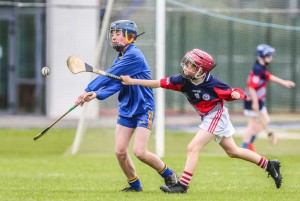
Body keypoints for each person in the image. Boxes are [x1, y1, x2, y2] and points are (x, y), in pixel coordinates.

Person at [120, 48, 282, 193]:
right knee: (233, 151)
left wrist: (237, 94)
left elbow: (236, 91)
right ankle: (269, 165)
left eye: (191, 65)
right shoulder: (182, 81)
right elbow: (157, 83)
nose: (186, 67)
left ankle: (182, 186)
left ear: (201, 70)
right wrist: (132, 81)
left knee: (192, 147)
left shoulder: (212, 83)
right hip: (209, 117)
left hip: (216, 115)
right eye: (186, 63)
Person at [75, 20, 178, 192]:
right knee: (120, 152)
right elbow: (117, 83)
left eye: (117, 33)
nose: (113, 37)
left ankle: (170, 175)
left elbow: (110, 75)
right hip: (127, 109)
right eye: (112, 33)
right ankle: (135, 186)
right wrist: (95, 95)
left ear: (130, 36)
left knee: (140, 152)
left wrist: (87, 89)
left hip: (144, 108)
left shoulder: (134, 56)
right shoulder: (121, 57)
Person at [242, 44, 296, 152]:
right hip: (252, 100)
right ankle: (245, 147)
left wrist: (284, 82)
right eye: (268, 55)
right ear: (262, 56)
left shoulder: (261, 68)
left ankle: (248, 145)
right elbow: (251, 87)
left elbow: (269, 77)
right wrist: (255, 102)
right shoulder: (257, 69)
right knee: (252, 124)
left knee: (265, 121)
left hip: (258, 100)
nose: (270, 57)